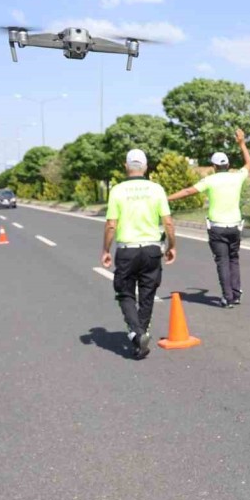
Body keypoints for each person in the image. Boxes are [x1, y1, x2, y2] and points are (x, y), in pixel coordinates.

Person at [102, 148, 177, 360]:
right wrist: (172, 246)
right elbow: (168, 222)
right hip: (152, 250)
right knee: (147, 294)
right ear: (145, 167)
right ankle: (141, 337)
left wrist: (106, 250)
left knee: (125, 293)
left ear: (126, 166)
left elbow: (111, 225)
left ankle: (137, 333)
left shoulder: (117, 190)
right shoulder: (157, 189)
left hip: (127, 250)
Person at [167, 128, 250, 309]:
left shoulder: (210, 181)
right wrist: (242, 143)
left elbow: (188, 191)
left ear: (214, 167)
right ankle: (236, 295)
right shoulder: (236, 177)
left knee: (222, 261)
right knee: (233, 259)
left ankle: (227, 297)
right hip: (235, 227)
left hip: (217, 228)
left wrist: (167, 198)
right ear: (228, 165)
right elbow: (249, 163)